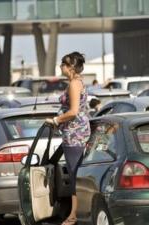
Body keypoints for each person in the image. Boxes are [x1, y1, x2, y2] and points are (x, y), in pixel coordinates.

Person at [45, 52, 91, 225]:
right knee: (75, 173)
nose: (60, 67)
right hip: (75, 133)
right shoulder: (79, 82)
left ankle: (74, 215)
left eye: (63, 64)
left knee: (74, 175)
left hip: (74, 134)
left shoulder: (73, 84)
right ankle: (74, 213)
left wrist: (56, 120)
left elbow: (73, 111)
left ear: (70, 67)